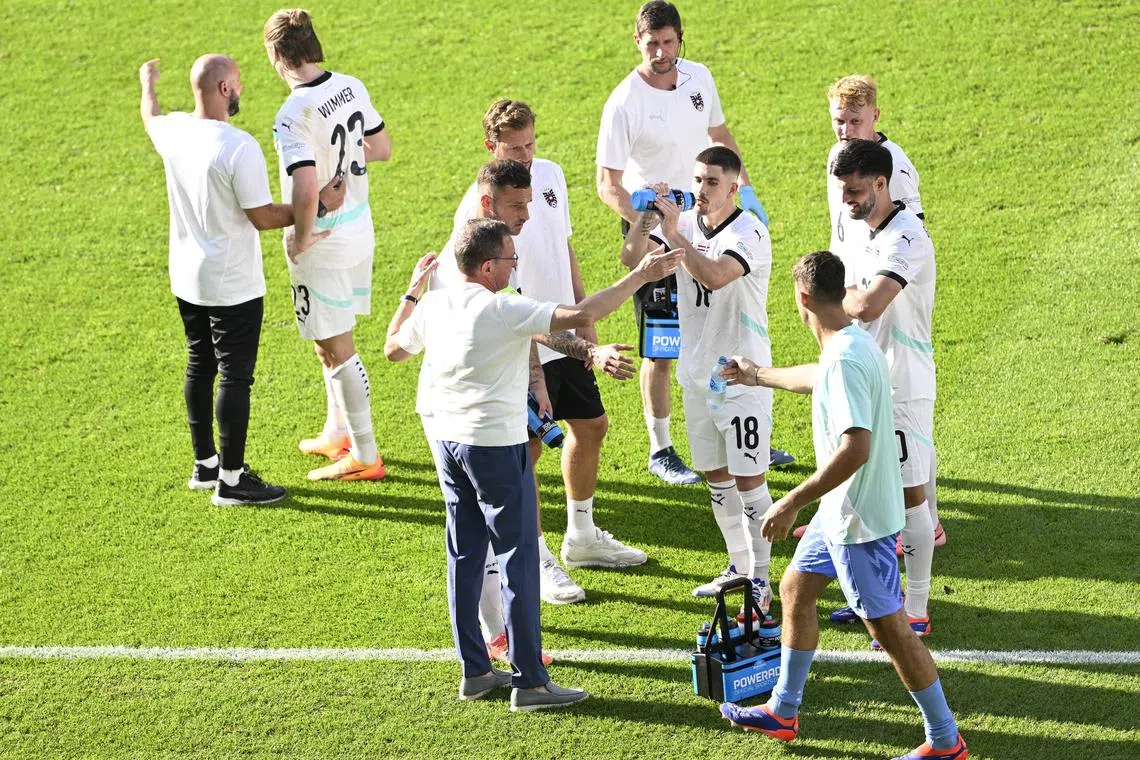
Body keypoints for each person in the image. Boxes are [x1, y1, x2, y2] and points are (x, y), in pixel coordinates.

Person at [384, 218, 680, 711]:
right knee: (518, 558)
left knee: (465, 553)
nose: (515, 266)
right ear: (486, 266)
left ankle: (475, 671)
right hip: (493, 447)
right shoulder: (502, 308)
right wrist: (640, 276)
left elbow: (394, 348)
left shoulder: (436, 302)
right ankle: (530, 682)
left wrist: (412, 293)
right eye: (509, 259)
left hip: (445, 440)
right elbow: (583, 311)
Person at [717, 251, 967, 760]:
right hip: (840, 514)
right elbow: (818, 374)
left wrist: (790, 500)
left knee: (891, 631)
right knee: (796, 589)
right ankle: (783, 710)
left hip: (859, 521)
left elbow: (857, 446)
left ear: (802, 299)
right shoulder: (852, 341)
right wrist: (755, 374)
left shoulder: (847, 358)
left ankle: (946, 740)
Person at [595, 0, 792, 484]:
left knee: (725, 324)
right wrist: (654, 227)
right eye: (651, 44)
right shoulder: (625, 102)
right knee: (663, 345)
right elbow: (608, 184)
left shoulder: (698, 78)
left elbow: (720, 135)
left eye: (668, 42)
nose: (661, 53)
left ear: (681, 39)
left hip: (709, 219)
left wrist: (745, 189)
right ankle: (661, 448)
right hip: (657, 229)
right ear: (636, 41)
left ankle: (745, 431)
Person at [140, 55, 342, 507]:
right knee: (234, 375)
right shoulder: (237, 146)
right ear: (226, 89)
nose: (243, 90)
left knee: (199, 364)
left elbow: (148, 114)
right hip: (231, 282)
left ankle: (205, 465)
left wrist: (147, 82)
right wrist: (316, 205)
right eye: (239, 84)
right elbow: (263, 216)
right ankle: (231, 481)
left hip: (187, 276)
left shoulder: (172, 130)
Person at [620, 146, 775, 615]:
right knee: (716, 475)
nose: (701, 190)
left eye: (711, 182)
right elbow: (631, 258)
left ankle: (762, 581)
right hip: (696, 373)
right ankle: (737, 565)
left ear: (733, 189)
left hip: (742, 375)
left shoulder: (751, 231)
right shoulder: (683, 225)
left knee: (750, 478)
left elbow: (712, 277)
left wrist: (673, 235)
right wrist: (648, 218)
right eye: (697, 179)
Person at [264, 9, 393, 481]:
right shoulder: (351, 85)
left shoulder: (292, 113)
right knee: (328, 341)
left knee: (337, 346)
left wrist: (300, 236)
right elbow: (381, 148)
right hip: (360, 228)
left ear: (277, 55)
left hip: (325, 240)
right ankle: (336, 431)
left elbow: (302, 187)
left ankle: (365, 454)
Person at [822, 74, 945, 551]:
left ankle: (924, 520)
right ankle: (910, 515)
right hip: (856, 293)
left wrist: (851, 293)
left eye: (855, 119)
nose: (847, 128)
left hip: (888, 299)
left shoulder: (896, 170)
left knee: (903, 420)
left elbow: (904, 236)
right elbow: (843, 228)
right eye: (839, 120)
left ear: (876, 115)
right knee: (885, 425)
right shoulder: (839, 158)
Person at [824, 139, 939, 644]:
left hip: (903, 380)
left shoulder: (908, 236)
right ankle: (880, 602)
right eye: (841, 191)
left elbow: (868, 304)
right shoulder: (853, 225)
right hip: (864, 374)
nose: (846, 200)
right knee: (871, 494)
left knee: (912, 497)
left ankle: (915, 609)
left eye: (854, 191)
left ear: (881, 184)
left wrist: (829, 298)